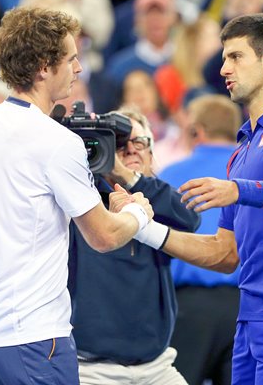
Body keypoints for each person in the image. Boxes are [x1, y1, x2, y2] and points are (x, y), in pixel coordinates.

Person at [118, 13, 263, 385]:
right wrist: (145, 230)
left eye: (235, 57)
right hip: (249, 319)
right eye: (224, 58)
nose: (223, 69)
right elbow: (225, 253)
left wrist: (239, 190)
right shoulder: (241, 149)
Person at [0, 7, 155, 384]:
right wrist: (138, 214)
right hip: (34, 338)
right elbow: (103, 235)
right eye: (72, 59)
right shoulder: (58, 142)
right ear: (44, 67)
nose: (78, 68)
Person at [69, 108, 199, 385]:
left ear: (152, 153)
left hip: (157, 366)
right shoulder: (82, 204)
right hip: (92, 368)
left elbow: (190, 218)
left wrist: (125, 174)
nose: (130, 151)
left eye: (138, 143)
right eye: (118, 144)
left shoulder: (161, 201)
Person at [159, 94, 241, 385]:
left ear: (197, 131)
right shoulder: (257, 178)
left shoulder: (171, 176)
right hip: (246, 306)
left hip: (189, 309)